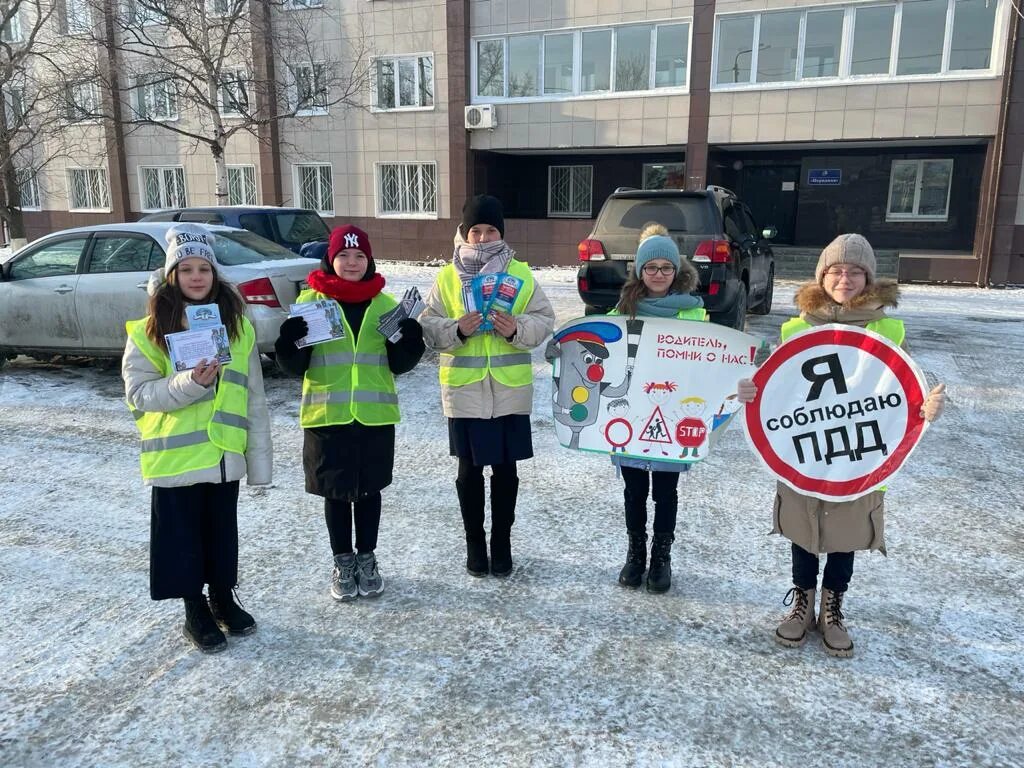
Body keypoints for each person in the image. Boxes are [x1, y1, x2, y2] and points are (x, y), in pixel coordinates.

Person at [736, 233, 946, 657]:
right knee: (803, 531)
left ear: (868, 278)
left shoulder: (888, 328)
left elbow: (904, 388)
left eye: (854, 271)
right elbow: (781, 388)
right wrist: (750, 389)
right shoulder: (797, 327)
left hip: (859, 454)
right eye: (836, 271)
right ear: (822, 276)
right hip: (805, 451)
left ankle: (833, 609)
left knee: (844, 536)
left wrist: (928, 405)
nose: (844, 279)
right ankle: (802, 604)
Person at [122, 223, 272, 654]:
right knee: (183, 539)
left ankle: (223, 598)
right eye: (185, 268)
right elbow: (139, 395)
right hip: (176, 458)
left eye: (203, 268)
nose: (196, 276)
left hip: (224, 455)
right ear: (172, 276)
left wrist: (258, 460)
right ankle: (195, 610)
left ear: (214, 273)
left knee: (221, 534)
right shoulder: (148, 330)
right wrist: (188, 383)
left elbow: (253, 396)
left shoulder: (238, 329)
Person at [275, 225, 424, 601]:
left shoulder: (386, 306)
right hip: (328, 415)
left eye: (359, 256)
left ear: (369, 260)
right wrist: (288, 341)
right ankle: (343, 560)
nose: (352, 262)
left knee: (370, 490)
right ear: (331, 259)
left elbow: (399, 364)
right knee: (336, 493)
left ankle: (367, 557)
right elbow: (294, 367)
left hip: (374, 416)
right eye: (344, 255)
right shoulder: (312, 302)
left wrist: (412, 343)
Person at [420, 195, 555, 578]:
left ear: (501, 232)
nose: (482, 238)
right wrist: (455, 329)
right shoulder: (447, 277)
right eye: (475, 230)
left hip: (510, 389)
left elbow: (544, 319)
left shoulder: (521, 275)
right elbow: (427, 326)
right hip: (465, 390)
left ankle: (502, 541)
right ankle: (475, 543)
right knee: (469, 472)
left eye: (490, 230)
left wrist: (517, 329)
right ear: (464, 232)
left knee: (507, 472)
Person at [610, 224, 706, 594]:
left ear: (677, 272)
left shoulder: (695, 314)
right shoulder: (620, 310)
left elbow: (710, 362)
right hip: (631, 413)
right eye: (651, 268)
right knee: (634, 491)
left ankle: (661, 556)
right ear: (639, 271)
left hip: (675, 416)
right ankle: (635, 553)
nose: (659, 275)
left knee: (665, 492)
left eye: (666, 268)